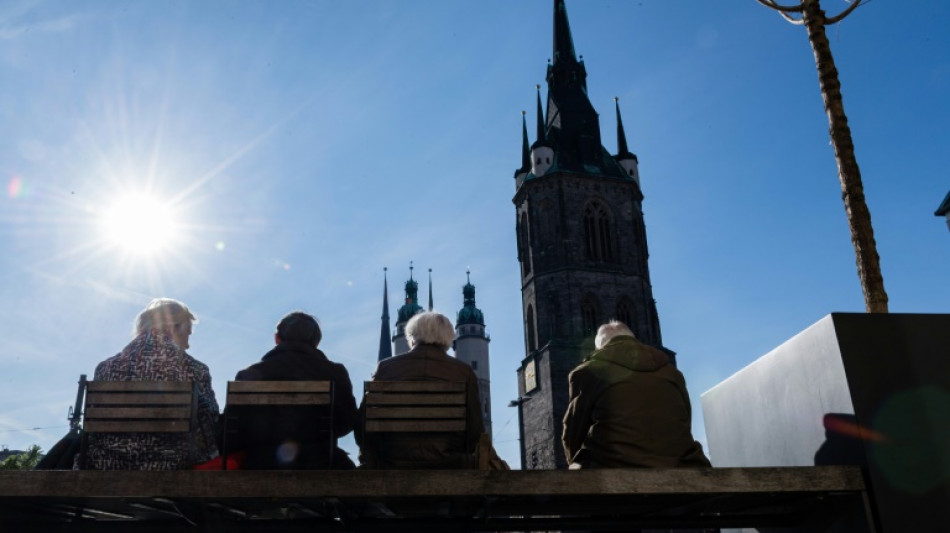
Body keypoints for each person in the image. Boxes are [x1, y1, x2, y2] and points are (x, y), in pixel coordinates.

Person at [81, 298, 219, 470]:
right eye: (187, 332)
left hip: (105, 467)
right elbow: (210, 425)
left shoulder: (105, 368)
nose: (188, 344)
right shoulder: (194, 369)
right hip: (173, 468)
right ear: (171, 327)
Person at [562, 320, 710, 469]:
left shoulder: (587, 372)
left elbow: (573, 432)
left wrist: (573, 462)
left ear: (601, 348)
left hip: (613, 465)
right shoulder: (672, 373)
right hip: (682, 465)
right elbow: (685, 420)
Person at [227, 311, 358, 469]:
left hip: (261, 463)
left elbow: (233, 426)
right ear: (316, 342)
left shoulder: (249, 374)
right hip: (320, 463)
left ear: (277, 339)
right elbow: (347, 422)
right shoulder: (335, 373)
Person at [356, 311, 484, 469]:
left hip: (391, 463)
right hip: (448, 463)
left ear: (411, 336)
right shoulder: (464, 372)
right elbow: (475, 430)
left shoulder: (385, 367)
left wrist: (378, 455)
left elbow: (362, 424)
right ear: (448, 338)